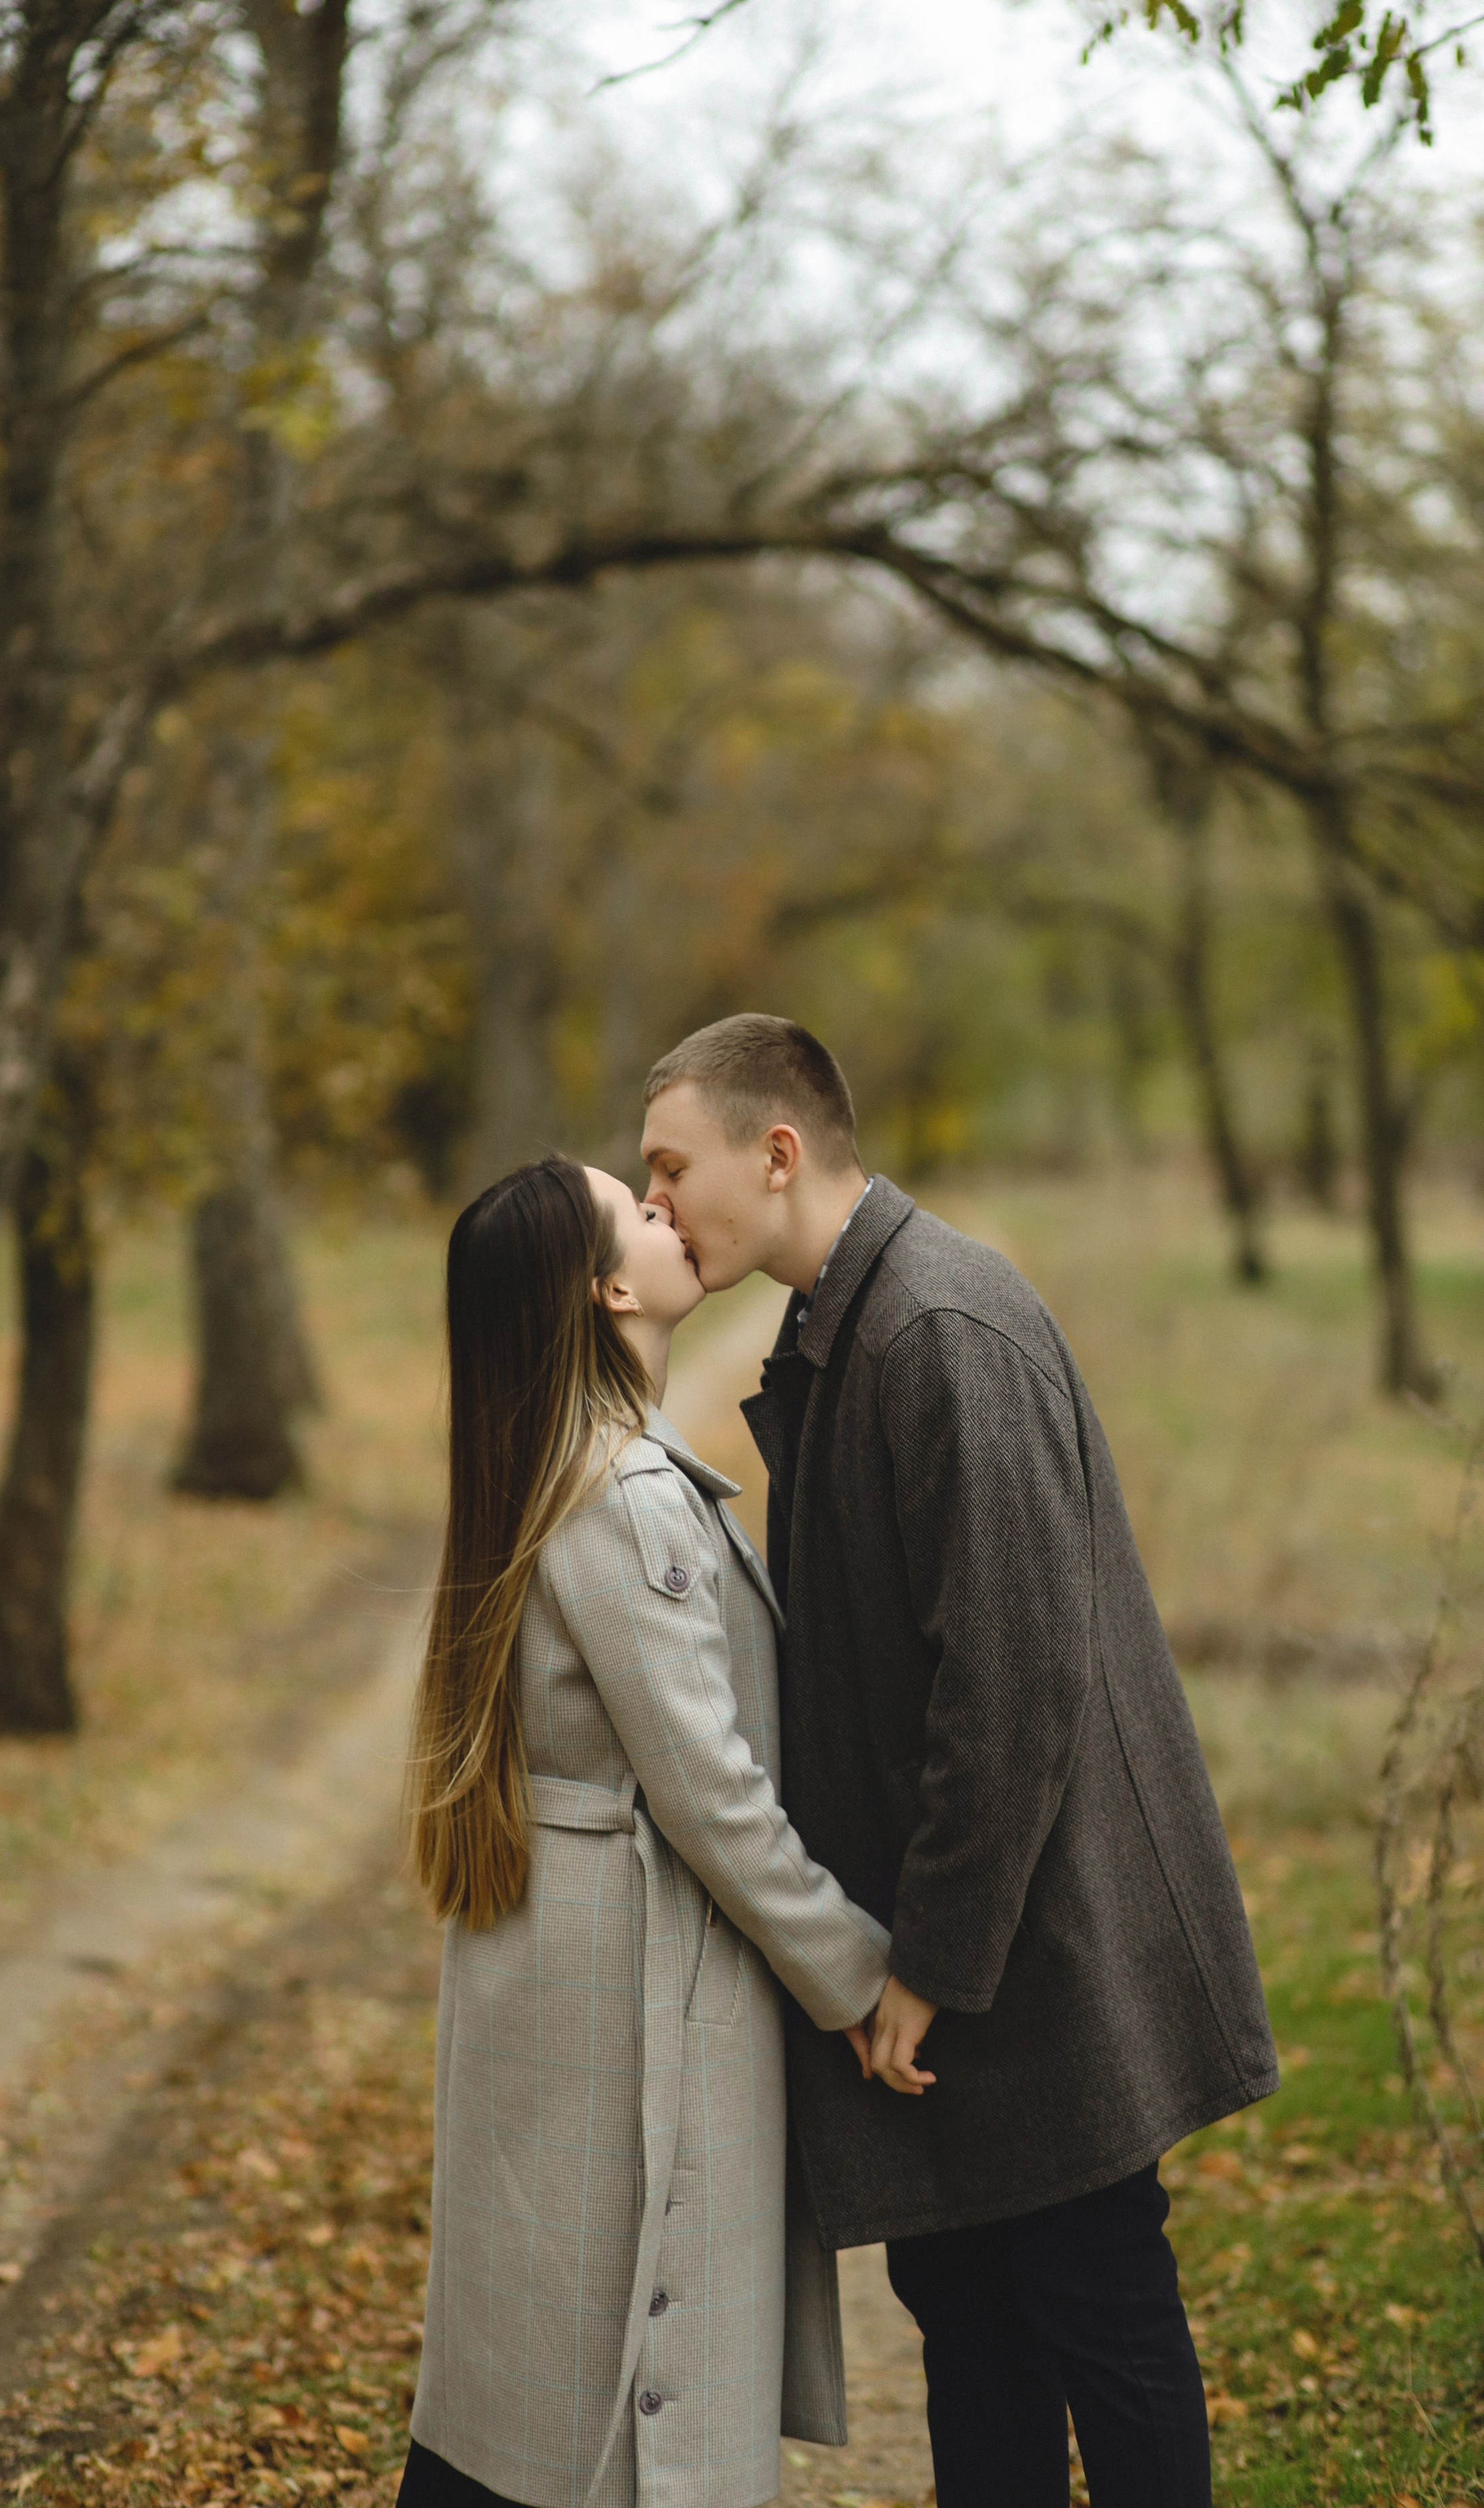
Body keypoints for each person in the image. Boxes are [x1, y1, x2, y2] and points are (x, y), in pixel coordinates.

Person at [641, 1014, 1280, 2508]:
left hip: (1040, 1955)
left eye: (671, 1166)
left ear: (776, 1150)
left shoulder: (938, 1325)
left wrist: (919, 1962)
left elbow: (1009, 1686)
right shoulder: (845, 1327)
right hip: (961, 1949)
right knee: (971, 2326)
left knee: (1098, 2314)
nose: (653, 1199)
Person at [401, 1155, 899, 2508]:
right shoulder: (619, 1499)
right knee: (615, 2397)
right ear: (608, 1286)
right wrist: (859, 1974)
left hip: (563, 1975)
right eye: (640, 1206)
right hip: (626, 1991)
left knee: (531, 2391)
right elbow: (711, 1794)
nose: (668, 1210)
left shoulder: (559, 1464)